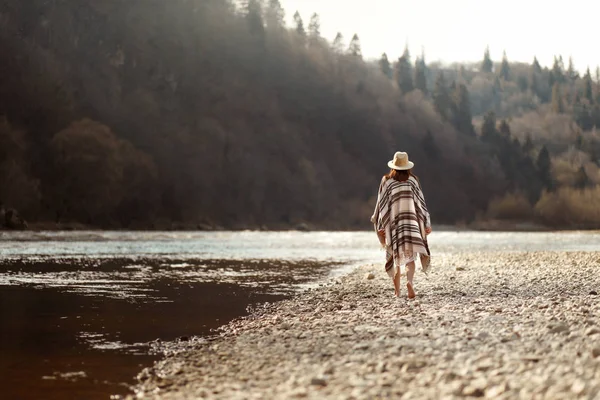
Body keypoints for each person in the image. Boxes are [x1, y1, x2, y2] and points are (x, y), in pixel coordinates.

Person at [371, 151, 432, 299]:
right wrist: (426, 223)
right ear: (407, 166)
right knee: (410, 258)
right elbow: (420, 204)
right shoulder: (413, 180)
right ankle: (409, 282)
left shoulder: (386, 180)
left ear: (393, 166)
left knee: (395, 257)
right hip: (412, 224)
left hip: (393, 225)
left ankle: (397, 292)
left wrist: (380, 224)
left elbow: (381, 204)